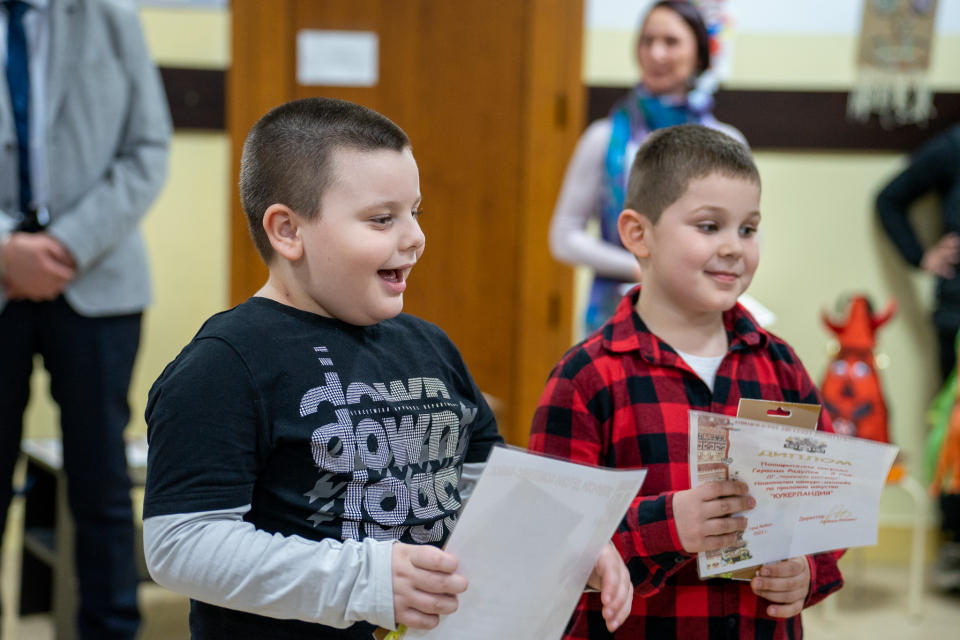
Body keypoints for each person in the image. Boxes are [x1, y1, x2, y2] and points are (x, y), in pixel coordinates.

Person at [141, 97, 633, 639]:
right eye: (382, 219)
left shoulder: (430, 345)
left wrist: (562, 543)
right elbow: (181, 543)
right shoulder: (226, 363)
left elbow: (483, 485)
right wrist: (363, 580)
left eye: (414, 213)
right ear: (287, 231)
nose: (415, 238)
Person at [530, 125, 844, 639]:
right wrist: (669, 525)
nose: (733, 248)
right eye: (708, 226)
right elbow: (552, 545)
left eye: (748, 228)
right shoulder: (585, 378)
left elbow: (828, 501)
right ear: (638, 234)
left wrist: (811, 570)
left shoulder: (781, 366)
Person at [0, 0, 171, 637]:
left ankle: (110, 629)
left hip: (100, 282)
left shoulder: (112, 18)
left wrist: (67, 244)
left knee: (100, 483)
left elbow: (147, 149)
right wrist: (5, 251)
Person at [550, 0, 745, 334]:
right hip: (615, 317)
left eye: (670, 42)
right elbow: (563, 236)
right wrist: (640, 268)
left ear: (698, 52)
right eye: (647, 40)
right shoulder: (604, 138)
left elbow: (743, 233)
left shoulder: (725, 142)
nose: (656, 53)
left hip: (699, 315)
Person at [877, 123, 960, 591]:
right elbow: (887, 198)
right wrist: (921, 256)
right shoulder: (953, 145)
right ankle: (955, 543)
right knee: (956, 435)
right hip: (958, 318)